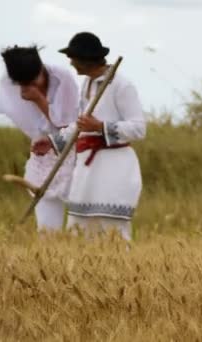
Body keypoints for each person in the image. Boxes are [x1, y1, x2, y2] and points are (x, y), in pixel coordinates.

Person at [32, 32, 146, 241]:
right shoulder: (87, 84)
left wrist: (101, 126)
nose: (70, 62)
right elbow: (81, 124)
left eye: (73, 57)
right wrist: (52, 141)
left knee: (112, 231)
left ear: (85, 59)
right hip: (87, 170)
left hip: (114, 168)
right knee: (80, 229)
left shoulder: (121, 85)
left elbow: (139, 128)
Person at [0, 45, 78, 232]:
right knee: (47, 226)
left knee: (81, 219)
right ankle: (49, 256)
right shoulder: (9, 84)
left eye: (33, 81)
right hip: (42, 153)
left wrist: (39, 99)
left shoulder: (62, 78)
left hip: (72, 149)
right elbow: (33, 125)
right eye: (23, 84)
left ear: (41, 69)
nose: (28, 87)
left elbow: (66, 125)